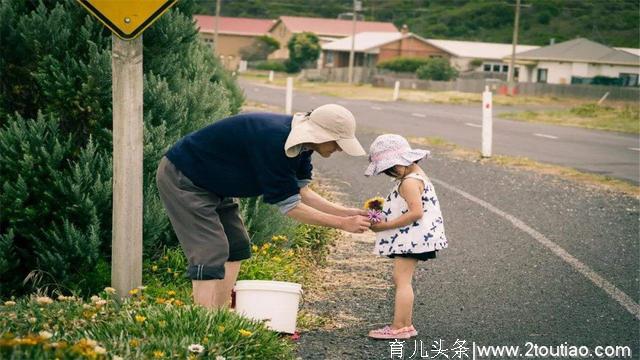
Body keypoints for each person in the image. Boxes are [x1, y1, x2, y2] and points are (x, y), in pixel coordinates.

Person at [155, 104, 371, 309]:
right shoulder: (275, 140)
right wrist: (342, 224)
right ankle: (203, 321)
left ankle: (219, 315)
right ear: (321, 135)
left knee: (236, 245)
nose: (339, 149)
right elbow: (291, 206)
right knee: (211, 250)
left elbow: (301, 191)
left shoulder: (302, 147)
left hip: (214, 183)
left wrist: (346, 212)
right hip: (185, 176)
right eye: (337, 143)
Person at [364, 134, 448, 339]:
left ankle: (400, 327)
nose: (389, 173)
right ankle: (404, 325)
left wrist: (385, 226)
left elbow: (415, 212)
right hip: (414, 237)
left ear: (403, 161)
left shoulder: (409, 182)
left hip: (412, 239)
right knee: (401, 279)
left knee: (402, 280)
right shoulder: (414, 175)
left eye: (391, 168)